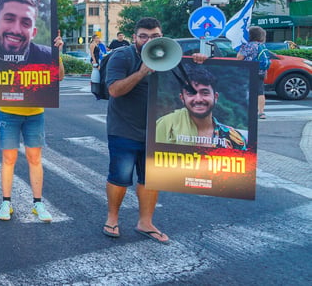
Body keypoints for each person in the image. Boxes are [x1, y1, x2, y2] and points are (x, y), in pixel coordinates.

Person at [102, 17, 206, 244]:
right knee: (120, 177)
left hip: (157, 130)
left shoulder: (171, 55)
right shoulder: (122, 56)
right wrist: (141, 72)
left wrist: (202, 61)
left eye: (155, 36)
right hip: (124, 127)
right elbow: (114, 90)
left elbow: (194, 80)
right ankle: (112, 218)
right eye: (143, 36)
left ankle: (145, 223)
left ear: (162, 36)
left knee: (151, 179)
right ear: (134, 38)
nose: (149, 40)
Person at [0, 33, 65, 223]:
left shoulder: (41, 53)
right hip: (8, 111)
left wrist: (57, 54)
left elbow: (59, 77)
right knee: (9, 158)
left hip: (35, 112)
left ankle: (38, 203)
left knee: (35, 158)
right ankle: (6, 202)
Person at [155, 65, 248, 150]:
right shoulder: (167, 127)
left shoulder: (234, 138)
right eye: (191, 93)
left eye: (205, 93)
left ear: (215, 97)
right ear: (182, 98)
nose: (198, 99)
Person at [0, 0, 53, 69]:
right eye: (9, 19)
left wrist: (56, 54)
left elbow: (59, 76)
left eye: (25, 23)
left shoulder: (48, 57)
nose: (16, 30)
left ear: (33, 32)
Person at [236, 26, 269, 120]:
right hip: (261, 71)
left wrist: (239, 52)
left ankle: (246, 110)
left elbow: (239, 58)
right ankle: (261, 112)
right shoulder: (262, 46)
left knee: (246, 91)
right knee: (260, 92)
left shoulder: (248, 45)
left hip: (249, 71)